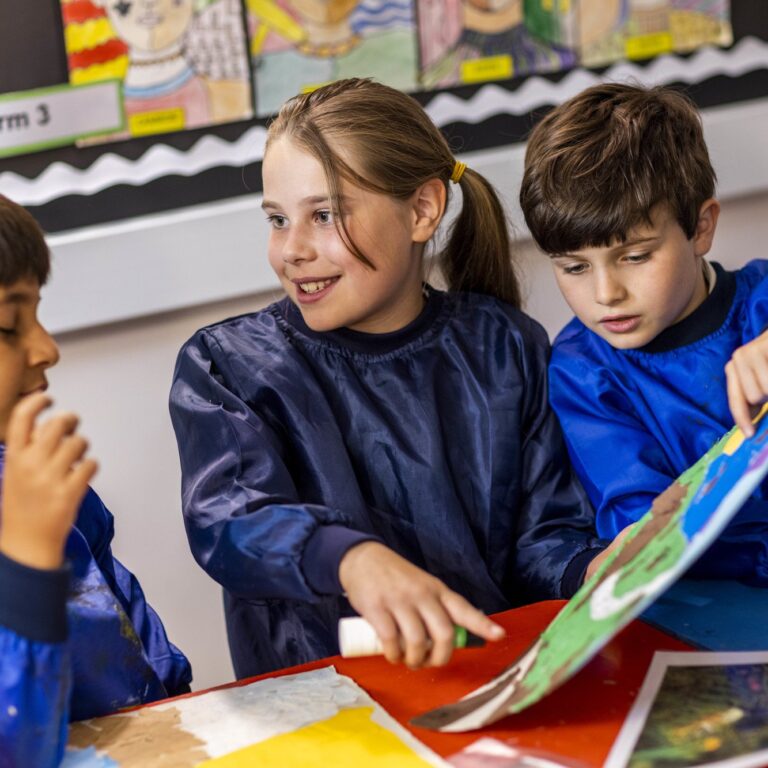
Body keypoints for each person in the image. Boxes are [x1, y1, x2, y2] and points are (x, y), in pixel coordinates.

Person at [170, 77, 615, 680]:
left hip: (491, 686)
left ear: (422, 210)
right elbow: (230, 521)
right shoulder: (226, 367)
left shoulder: (506, 346)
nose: (291, 250)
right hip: (325, 708)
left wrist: (593, 570)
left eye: (323, 215)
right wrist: (351, 558)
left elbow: (544, 538)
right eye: (277, 219)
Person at [519, 82, 768, 584]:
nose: (606, 293)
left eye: (634, 257)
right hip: (708, 607)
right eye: (573, 268)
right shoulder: (584, 370)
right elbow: (642, 531)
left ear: (700, 228)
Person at [0, 195, 192, 768]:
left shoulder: (32, 472)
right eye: (11, 324)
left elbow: (131, 633)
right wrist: (27, 562)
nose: (47, 348)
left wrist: (182, 715)